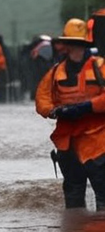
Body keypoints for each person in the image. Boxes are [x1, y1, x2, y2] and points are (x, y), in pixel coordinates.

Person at [35, 17, 105, 211]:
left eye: (78, 44)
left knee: (103, 194)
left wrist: (87, 107)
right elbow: (41, 98)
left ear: (84, 45)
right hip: (67, 143)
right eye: (71, 44)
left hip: (97, 141)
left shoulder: (100, 67)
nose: (74, 48)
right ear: (65, 45)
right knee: (73, 193)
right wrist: (54, 111)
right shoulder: (56, 71)